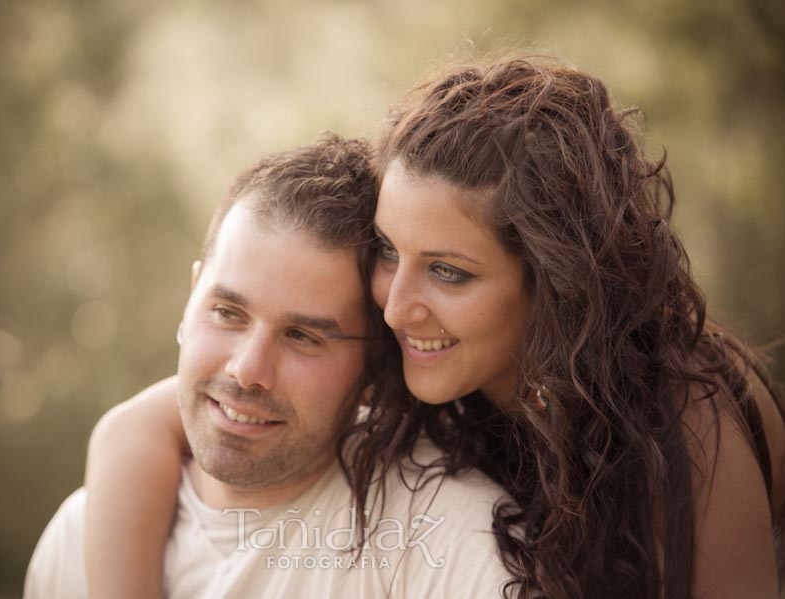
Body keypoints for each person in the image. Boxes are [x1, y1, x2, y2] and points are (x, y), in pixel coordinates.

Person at [83, 55, 785, 599]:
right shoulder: (419, 337)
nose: (395, 305)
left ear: (555, 284)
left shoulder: (684, 425)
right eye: (390, 251)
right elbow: (144, 425)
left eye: (449, 271)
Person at [24, 134, 512, 599]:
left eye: (302, 336)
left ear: (374, 371)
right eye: (227, 313)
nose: (246, 370)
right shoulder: (79, 540)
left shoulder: (447, 543)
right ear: (190, 300)